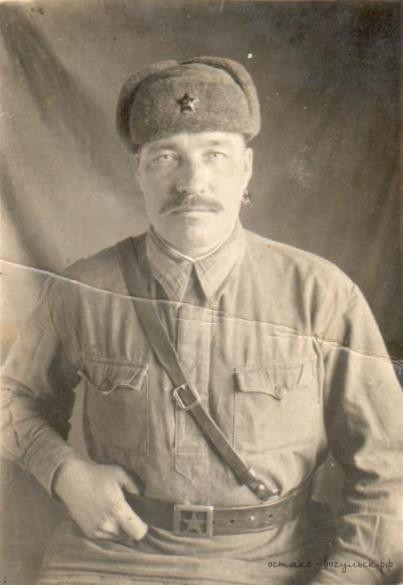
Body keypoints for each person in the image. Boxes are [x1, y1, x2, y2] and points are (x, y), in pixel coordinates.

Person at [1, 56, 402, 585]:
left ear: (246, 169)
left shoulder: (321, 293)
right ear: (138, 172)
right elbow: (11, 398)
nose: (192, 182)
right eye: (167, 157)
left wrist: (342, 579)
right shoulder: (83, 289)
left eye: (215, 154)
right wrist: (64, 472)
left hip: (276, 562)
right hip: (109, 561)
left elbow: (391, 471)